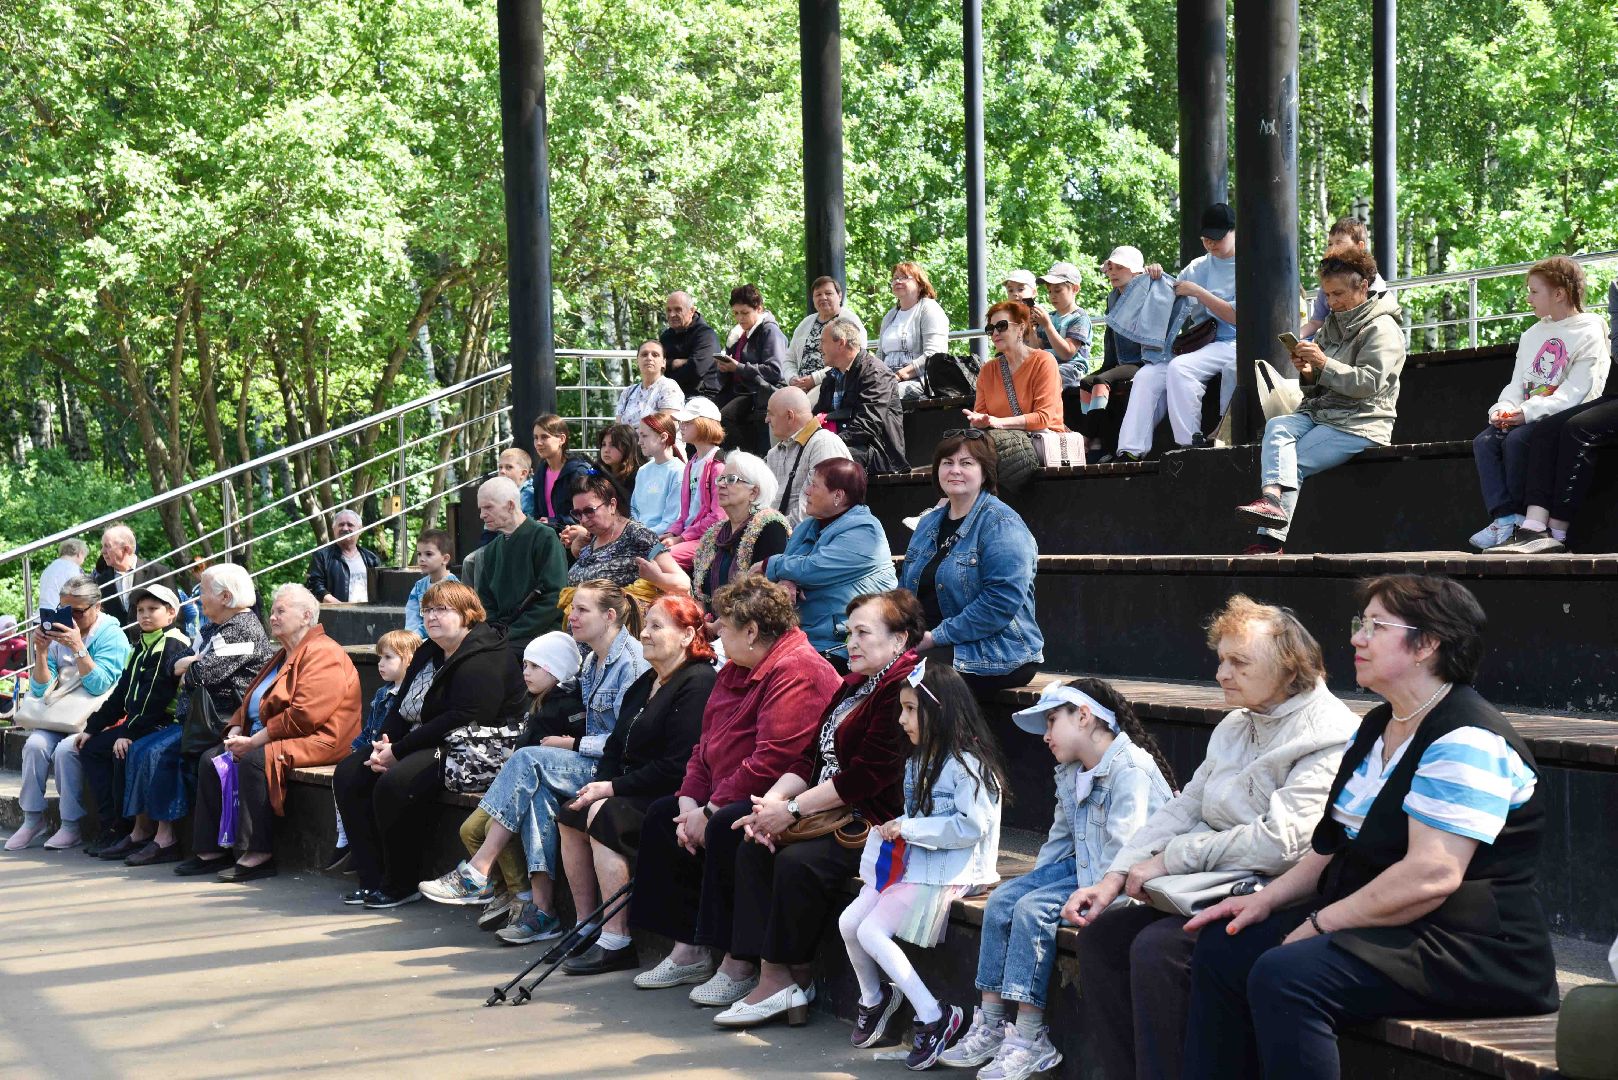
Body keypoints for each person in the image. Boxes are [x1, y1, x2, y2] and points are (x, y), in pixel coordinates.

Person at [1181, 576, 1558, 1078]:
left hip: (1468, 946)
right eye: (1361, 624)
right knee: (1225, 945)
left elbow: (1430, 876)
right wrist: (1266, 900)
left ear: (1427, 644)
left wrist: (1318, 924)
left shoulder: (1467, 739)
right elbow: (1335, 843)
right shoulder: (1380, 723)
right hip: (1396, 924)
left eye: (1376, 626)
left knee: (1286, 975)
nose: (1357, 638)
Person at [1061, 595, 1357, 1080]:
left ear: (1289, 667)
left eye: (1239, 662)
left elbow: (1282, 843)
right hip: (1213, 882)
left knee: (1159, 949)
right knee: (1104, 938)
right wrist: (1114, 876)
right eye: (1221, 659)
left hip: (1280, 891)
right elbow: (1186, 805)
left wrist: (1172, 858)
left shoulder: (1329, 734)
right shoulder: (1236, 723)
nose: (1222, 674)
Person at [940, 678, 1175, 1077]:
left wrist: (1046, 896)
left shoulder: (1130, 768)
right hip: (1085, 866)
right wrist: (1033, 882)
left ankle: (1031, 1036)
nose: (1046, 736)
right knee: (1004, 899)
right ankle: (993, 1022)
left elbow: (1123, 853)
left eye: (1051, 722)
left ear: (1084, 717)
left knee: (1032, 910)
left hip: (1121, 881)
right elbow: (1058, 840)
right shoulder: (1070, 772)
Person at [629, 576, 840, 1002]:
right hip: (722, 787)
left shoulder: (798, 669)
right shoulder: (736, 668)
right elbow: (703, 747)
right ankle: (687, 948)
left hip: (780, 793)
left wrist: (709, 811)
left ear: (751, 630)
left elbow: (773, 760)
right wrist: (691, 803)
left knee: (727, 823)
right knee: (664, 812)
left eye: (723, 624)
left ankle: (738, 961)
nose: (715, 632)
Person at [718, 590, 922, 1029]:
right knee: (752, 841)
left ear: (899, 640)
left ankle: (788, 978)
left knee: (799, 862)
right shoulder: (854, 682)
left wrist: (790, 810)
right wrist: (769, 806)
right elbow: (807, 758)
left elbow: (865, 777)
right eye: (849, 632)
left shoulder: (902, 688)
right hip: (821, 809)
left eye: (863, 633)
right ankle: (773, 977)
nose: (851, 642)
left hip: (871, 818)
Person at [419, 581, 645, 943]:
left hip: (614, 770)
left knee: (527, 760)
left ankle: (478, 870)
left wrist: (574, 743)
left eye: (582, 610)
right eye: (573, 609)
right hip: (587, 762)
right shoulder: (591, 660)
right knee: (536, 794)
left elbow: (629, 740)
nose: (571, 617)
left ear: (610, 616)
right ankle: (545, 913)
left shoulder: (631, 662)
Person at [841, 659, 1008, 1069]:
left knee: (873, 931)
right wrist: (896, 831)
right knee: (849, 923)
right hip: (921, 866)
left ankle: (936, 1017)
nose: (902, 719)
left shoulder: (969, 764)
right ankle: (875, 999)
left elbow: (971, 827)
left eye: (911, 709)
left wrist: (910, 828)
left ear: (940, 711)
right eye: (902, 708)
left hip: (955, 872)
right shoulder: (920, 760)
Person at [331, 580, 526, 908]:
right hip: (419, 739)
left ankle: (399, 883)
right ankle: (371, 877)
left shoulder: (486, 653)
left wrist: (398, 752)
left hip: (470, 746)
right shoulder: (427, 650)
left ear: (467, 614)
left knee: (395, 783)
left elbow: (464, 715)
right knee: (350, 772)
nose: (432, 617)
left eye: (442, 609)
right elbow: (400, 703)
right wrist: (384, 745)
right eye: (427, 610)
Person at [555, 594, 718, 975]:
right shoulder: (647, 680)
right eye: (645, 625)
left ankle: (617, 939)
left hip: (671, 792)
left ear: (686, 635)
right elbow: (614, 746)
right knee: (570, 813)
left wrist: (610, 790)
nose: (644, 634)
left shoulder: (697, 682)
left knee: (602, 814)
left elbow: (677, 765)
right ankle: (587, 925)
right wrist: (599, 783)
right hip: (631, 786)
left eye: (656, 627)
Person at [174, 584, 361, 883]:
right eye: (272, 611)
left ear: (306, 616)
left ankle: (258, 853)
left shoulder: (324, 652)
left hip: (320, 738)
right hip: (270, 734)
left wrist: (253, 741)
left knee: (255, 760)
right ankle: (211, 851)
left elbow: (305, 715)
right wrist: (236, 729)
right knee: (212, 758)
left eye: (280, 611)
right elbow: (250, 698)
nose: (272, 617)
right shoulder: (284, 653)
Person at [1235, 246, 1406, 553]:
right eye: (1327, 295)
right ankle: (1272, 499)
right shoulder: (1332, 324)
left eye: (1338, 294)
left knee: (1293, 459)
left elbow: (1367, 384)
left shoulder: (1383, 329)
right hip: (1323, 415)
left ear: (1363, 286)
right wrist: (1308, 372)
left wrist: (1324, 365)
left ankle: (1269, 541)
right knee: (1278, 426)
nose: (1332, 303)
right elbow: (1314, 390)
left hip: (1361, 422)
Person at [1467, 256, 1611, 551]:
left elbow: (1577, 392)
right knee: (1485, 441)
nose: (1528, 298)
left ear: (1559, 293)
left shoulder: (1590, 329)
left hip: (1559, 416)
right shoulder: (1532, 334)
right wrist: (1503, 409)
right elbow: (1518, 383)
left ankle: (1523, 521)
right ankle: (1505, 519)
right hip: (1527, 413)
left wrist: (1527, 413)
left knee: (1518, 440)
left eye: (1534, 291)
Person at [900, 432, 1043, 697]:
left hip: (997, 648)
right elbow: (905, 593)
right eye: (947, 462)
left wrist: (933, 638)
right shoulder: (928, 523)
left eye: (966, 463)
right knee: (869, 663)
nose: (955, 470)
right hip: (932, 641)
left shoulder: (1002, 524)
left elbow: (999, 603)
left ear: (985, 473)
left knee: (913, 677)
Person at [459, 631, 585, 933]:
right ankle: (502, 890)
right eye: (525, 664)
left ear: (556, 669)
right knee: (469, 830)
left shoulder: (566, 707)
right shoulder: (537, 701)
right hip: (514, 782)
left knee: (492, 827)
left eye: (534, 666)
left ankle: (522, 897)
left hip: (544, 783)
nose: (525, 672)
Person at [7, 575, 131, 852]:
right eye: (63, 610)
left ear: (97, 607)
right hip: (58, 713)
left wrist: (77, 646)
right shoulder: (57, 635)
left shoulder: (112, 635)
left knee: (66, 750)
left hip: (93, 717)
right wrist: (40, 652)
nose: (70, 618)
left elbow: (100, 684)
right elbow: (39, 689)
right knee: (35, 745)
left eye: (77, 611)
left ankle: (71, 825)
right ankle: (32, 819)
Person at [76, 584, 191, 865]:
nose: (145, 615)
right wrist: (92, 727)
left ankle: (133, 830)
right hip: (138, 722)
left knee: (121, 752)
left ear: (171, 613)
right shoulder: (141, 644)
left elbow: (156, 697)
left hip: (162, 722)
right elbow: (120, 695)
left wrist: (127, 732)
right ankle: (113, 826)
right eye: (141, 610)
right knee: (91, 748)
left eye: (153, 609)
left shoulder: (173, 643)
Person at [1114, 203, 1239, 459]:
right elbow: (1170, 293)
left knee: (1180, 368)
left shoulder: (1248, 265)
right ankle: (1130, 450)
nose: (1211, 245)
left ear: (1234, 232)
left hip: (1235, 343)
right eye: (1205, 239)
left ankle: (1189, 443)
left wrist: (1199, 293)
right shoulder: (1196, 267)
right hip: (1201, 343)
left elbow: (1238, 318)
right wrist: (1155, 275)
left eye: (1217, 239)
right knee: (1146, 376)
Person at [764, 458, 896, 660]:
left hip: (845, 646)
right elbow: (794, 567)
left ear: (838, 495)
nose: (807, 491)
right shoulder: (806, 527)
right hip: (802, 639)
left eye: (814, 486)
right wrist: (788, 579)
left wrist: (769, 564)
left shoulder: (865, 531)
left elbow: (814, 568)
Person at [639, 452, 789, 615]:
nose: (722, 484)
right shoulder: (715, 534)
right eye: (721, 479)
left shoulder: (770, 526)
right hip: (712, 622)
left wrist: (719, 624)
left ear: (753, 492)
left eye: (731, 479)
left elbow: (764, 594)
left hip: (749, 624)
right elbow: (700, 592)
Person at [327, 629, 420, 873]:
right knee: (344, 775)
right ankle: (344, 836)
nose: (380, 664)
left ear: (409, 659)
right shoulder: (382, 693)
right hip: (371, 751)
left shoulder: (412, 695)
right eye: (379, 658)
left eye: (389, 658)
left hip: (390, 756)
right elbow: (368, 730)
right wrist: (354, 752)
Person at [474, 475, 568, 656]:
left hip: (542, 635)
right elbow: (485, 601)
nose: (481, 515)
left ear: (510, 505)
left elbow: (555, 597)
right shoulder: (492, 549)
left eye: (488, 507)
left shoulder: (544, 538)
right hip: (503, 636)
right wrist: (494, 631)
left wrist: (510, 633)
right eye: (480, 509)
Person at [558, 472, 681, 605]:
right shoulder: (592, 537)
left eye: (589, 511)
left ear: (612, 505)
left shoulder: (639, 535)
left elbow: (682, 582)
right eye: (577, 513)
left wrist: (657, 578)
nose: (583, 520)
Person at [815, 316, 909, 476]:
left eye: (823, 341)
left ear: (841, 343)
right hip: (843, 444)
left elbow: (867, 425)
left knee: (831, 459)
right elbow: (817, 417)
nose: (819, 347)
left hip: (878, 452)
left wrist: (830, 443)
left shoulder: (876, 373)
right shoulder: (831, 378)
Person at [1078, 246, 1148, 458]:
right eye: (1111, 268)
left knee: (1100, 381)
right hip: (1117, 361)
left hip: (1139, 361)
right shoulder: (1112, 297)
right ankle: (1096, 440)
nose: (1113, 272)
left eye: (1120, 268)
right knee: (1085, 383)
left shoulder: (1147, 292)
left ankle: (1091, 441)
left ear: (1136, 272)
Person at [965, 301, 1069, 434]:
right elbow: (981, 417)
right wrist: (978, 422)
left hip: (1042, 443)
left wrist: (997, 422)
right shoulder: (987, 370)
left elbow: (1043, 418)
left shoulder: (1043, 361)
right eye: (991, 329)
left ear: (1021, 328)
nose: (995, 333)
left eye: (1001, 326)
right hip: (1001, 443)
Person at [715, 283, 787, 454]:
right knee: (704, 414)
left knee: (724, 417)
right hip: (739, 392)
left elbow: (775, 370)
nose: (740, 318)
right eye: (736, 313)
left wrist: (738, 367)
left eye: (745, 313)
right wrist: (725, 367)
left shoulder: (770, 331)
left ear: (759, 309)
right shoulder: (739, 335)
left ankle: (745, 458)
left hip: (757, 393)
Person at [764, 386, 850, 527]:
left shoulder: (823, 444)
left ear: (789, 416)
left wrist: (774, 532)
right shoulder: (774, 453)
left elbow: (813, 512)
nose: (766, 420)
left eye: (770, 414)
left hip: (813, 542)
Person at [659, 398, 726, 569]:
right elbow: (684, 515)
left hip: (708, 540)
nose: (681, 425)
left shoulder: (719, 465)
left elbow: (718, 517)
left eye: (688, 422)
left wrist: (681, 538)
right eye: (681, 422)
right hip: (689, 536)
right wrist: (671, 532)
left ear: (704, 424)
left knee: (665, 558)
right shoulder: (691, 463)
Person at [1300, 217, 1388, 340]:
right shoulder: (1328, 283)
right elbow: (1316, 322)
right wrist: (1297, 337)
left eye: (1339, 243)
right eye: (1330, 244)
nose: (1332, 248)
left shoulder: (1375, 283)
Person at [877, 262, 949, 400]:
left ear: (920, 284)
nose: (897, 281)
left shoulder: (930, 309)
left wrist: (899, 375)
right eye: (895, 278)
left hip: (920, 380)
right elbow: (880, 354)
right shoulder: (890, 316)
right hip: (888, 380)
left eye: (904, 277)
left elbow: (933, 355)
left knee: (882, 397)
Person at [92, 523, 175, 632]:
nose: (102, 551)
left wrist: (172, 646)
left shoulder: (159, 572)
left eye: (107, 546)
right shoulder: (101, 581)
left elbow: (176, 614)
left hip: (158, 645)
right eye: (102, 546)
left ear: (127, 549)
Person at [787, 276, 866, 389]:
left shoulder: (850, 321)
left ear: (839, 296)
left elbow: (853, 358)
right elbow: (789, 359)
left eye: (828, 293)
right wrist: (792, 379)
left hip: (833, 384)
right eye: (818, 294)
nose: (823, 297)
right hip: (799, 386)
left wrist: (814, 379)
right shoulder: (805, 323)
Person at [1033, 262, 1094, 387]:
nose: (1052, 296)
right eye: (1049, 291)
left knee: (1047, 376)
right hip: (1047, 364)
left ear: (1075, 289)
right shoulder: (1049, 316)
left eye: (1058, 290)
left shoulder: (1079, 317)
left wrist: (1047, 326)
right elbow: (1037, 349)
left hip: (1071, 369)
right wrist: (1030, 329)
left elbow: (1067, 353)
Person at [530, 414, 594, 531]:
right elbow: (538, 513)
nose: (538, 443)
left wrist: (553, 522)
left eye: (544, 437)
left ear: (562, 439)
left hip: (576, 537)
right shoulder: (541, 472)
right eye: (536, 437)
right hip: (548, 537)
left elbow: (589, 512)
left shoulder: (578, 471)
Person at [304, 510, 381, 605]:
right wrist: (341, 607)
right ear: (334, 529)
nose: (345, 528)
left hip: (369, 614)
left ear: (360, 529)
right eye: (341, 524)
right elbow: (315, 586)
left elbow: (380, 589)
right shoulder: (321, 556)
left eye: (350, 525)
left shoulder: (371, 559)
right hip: (335, 615)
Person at [630, 411, 686, 536]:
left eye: (644, 436)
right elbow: (634, 509)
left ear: (663, 437)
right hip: (639, 536)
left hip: (660, 539)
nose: (639, 442)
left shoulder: (679, 471)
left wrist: (641, 535)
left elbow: (672, 520)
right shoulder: (643, 471)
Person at [661, 290, 722, 399]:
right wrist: (674, 363)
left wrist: (667, 373)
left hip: (701, 397)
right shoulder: (666, 336)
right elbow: (658, 367)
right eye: (668, 310)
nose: (672, 314)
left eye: (678, 309)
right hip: (670, 394)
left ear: (692, 311)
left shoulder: (706, 335)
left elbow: (695, 370)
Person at [616, 340, 685, 427]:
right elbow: (618, 429)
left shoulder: (669, 388)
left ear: (663, 362)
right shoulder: (627, 392)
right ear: (637, 361)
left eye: (655, 355)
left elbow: (667, 429)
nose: (649, 358)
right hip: (626, 440)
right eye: (644, 354)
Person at [404, 529, 458, 638]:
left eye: (428, 554)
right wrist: (409, 637)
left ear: (445, 559)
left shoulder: (452, 586)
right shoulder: (419, 586)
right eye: (419, 554)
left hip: (443, 639)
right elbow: (412, 614)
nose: (421, 559)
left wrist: (416, 636)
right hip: (419, 638)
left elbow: (442, 621)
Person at [37, 538, 88, 619]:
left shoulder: (48, 569)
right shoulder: (74, 569)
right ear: (80, 553)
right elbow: (80, 597)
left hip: (41, 616)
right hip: (59, 618)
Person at [595, 423, 645, 501]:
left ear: (627, 447)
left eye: (613, 445)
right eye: (603, 444)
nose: (606, 450)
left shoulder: (640, 475)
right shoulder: (597, 471)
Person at [498, 447, 537, 519]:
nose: (502, 471)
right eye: (500, 467)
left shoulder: (528, 493)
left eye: (509, 467)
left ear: (523, 473)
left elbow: (524, 523)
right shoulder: (505, 492)